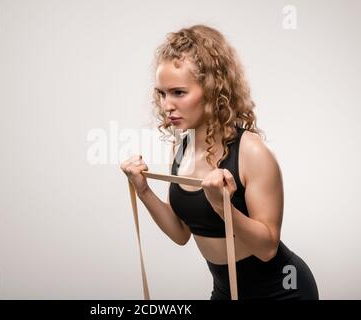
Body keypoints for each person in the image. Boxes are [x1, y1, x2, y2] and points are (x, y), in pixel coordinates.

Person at [120, 25, 318, 300]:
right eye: (162, 94)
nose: (166, 106)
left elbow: (267, 248)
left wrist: (221, 205)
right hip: (227, 292)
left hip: (281, 291)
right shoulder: (181, 146)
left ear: (213, 89)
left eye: (178, 92)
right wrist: (143, 191)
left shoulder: (252, 152)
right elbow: (181, 234)